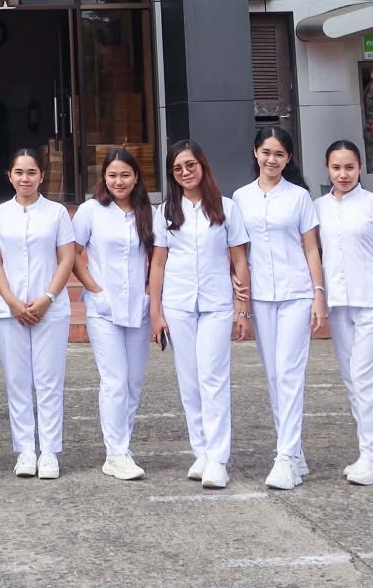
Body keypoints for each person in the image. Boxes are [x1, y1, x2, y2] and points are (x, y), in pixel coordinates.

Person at [148, 139, 250, 491]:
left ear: (202, 166)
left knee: (214, 378)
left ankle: (218, 458)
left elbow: (239, 260)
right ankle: (202, 452)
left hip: (217, 304)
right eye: (178, 168)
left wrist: (243, 309)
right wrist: (156, 312)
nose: (185, 172)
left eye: (190, 165)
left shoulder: (226, 208)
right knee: (189, 380)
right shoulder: (165, 212)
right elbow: (158, 263)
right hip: (177, 304)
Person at [232, 126, 325, 491]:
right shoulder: (240, 198)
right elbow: (238, 249)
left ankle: (285, 457)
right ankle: (296, 451)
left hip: (296, 292)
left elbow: (311, 248)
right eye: (267, 152)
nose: (272, 160)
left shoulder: (300, 197)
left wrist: (318, 293)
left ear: (288, 159)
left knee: (289, 373)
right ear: (256, 153)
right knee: (274, 375)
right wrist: (239, 294)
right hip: (260, 297)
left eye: (280, 154)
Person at [0, 147, 76, 480]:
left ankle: (49, 450)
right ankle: (25, 450)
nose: (25, 179)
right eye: (19, 172)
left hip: (50, 308)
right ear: (9, 175)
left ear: (41, 175)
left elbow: (66, 258)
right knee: (17, 381)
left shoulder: (57, 213)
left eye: (32, 172)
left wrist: (48, 297)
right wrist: (12, 301)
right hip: (10, 310)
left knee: (49, 381)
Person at [316, 140, 373, 486]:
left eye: (350, 167)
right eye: (336, 168)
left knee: (367, 379)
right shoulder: (317, 207)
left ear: (359, 167)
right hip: (338, 303)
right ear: (328, 169)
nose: (343, 174)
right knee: (352, 380)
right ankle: (366, 453)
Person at [73, 148, 154, 481]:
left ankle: (124, 446)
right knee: (115, 381)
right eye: (112, 175)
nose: (119, 181)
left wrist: (151, 294)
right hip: (103, 309)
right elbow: (72, 255)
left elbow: (158, 258)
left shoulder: (148, 212)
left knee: (133, 383)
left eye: (125, 175)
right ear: (103, 177)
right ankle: (115, 453)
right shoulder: (91, 211)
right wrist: (96, 291)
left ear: (136, 177)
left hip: (139, 308)